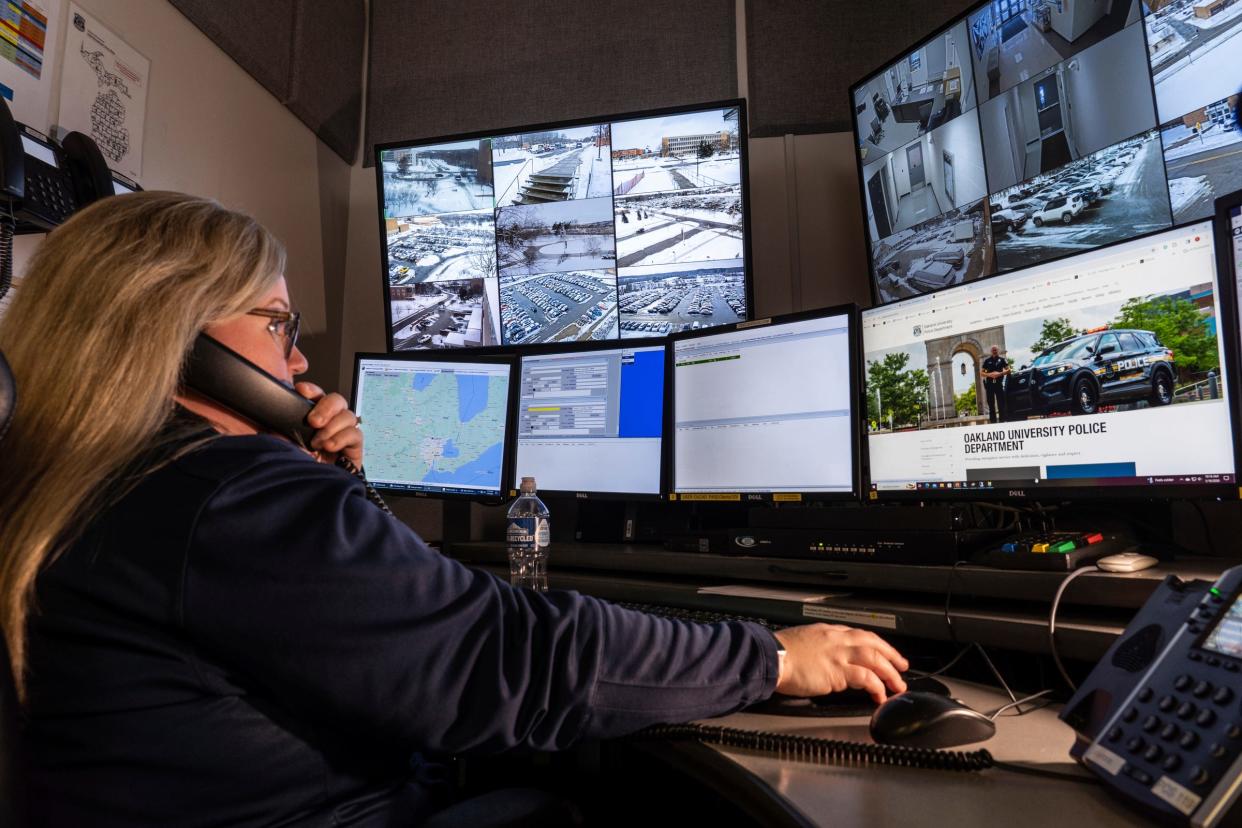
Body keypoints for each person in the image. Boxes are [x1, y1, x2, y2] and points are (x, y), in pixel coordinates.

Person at [0, 192, 908, 826]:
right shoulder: (226, 495)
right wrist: (772, 654)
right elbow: (503, 652)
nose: (298, 361)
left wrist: (330, 484)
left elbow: (378, 622)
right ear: (177, 334)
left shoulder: (92, 485)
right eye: (277, 324)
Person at [980, 345, 1010, 424]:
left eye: (995, 350)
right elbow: (981, 373)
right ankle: (993, 422)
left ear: (998, 350)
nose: (994, 351)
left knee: (1001, 403)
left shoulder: (1002, 360)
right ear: (991, 351)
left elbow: (1009, 370)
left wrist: (999, 373)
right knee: (991, 404)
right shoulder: (987, 361)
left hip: (999, 384)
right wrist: (990, 374)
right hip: (989, 385)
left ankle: (1002, 421)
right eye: (993, 350)